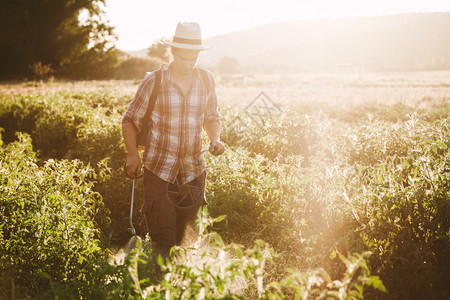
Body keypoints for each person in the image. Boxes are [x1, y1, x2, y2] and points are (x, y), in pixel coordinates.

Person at [122, 22, 225, 259]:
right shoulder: (154, 82)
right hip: (159, 171)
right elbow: (129, 120)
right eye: (183, 58)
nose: (188, 64)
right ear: (173, 52)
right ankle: (159, 289)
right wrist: (132, 155)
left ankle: (185, 290)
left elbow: (211, 118)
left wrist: (215, 139)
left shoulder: (207, 81)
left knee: (189, 242)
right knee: (163, 242)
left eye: (193, 58)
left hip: (194, 172)